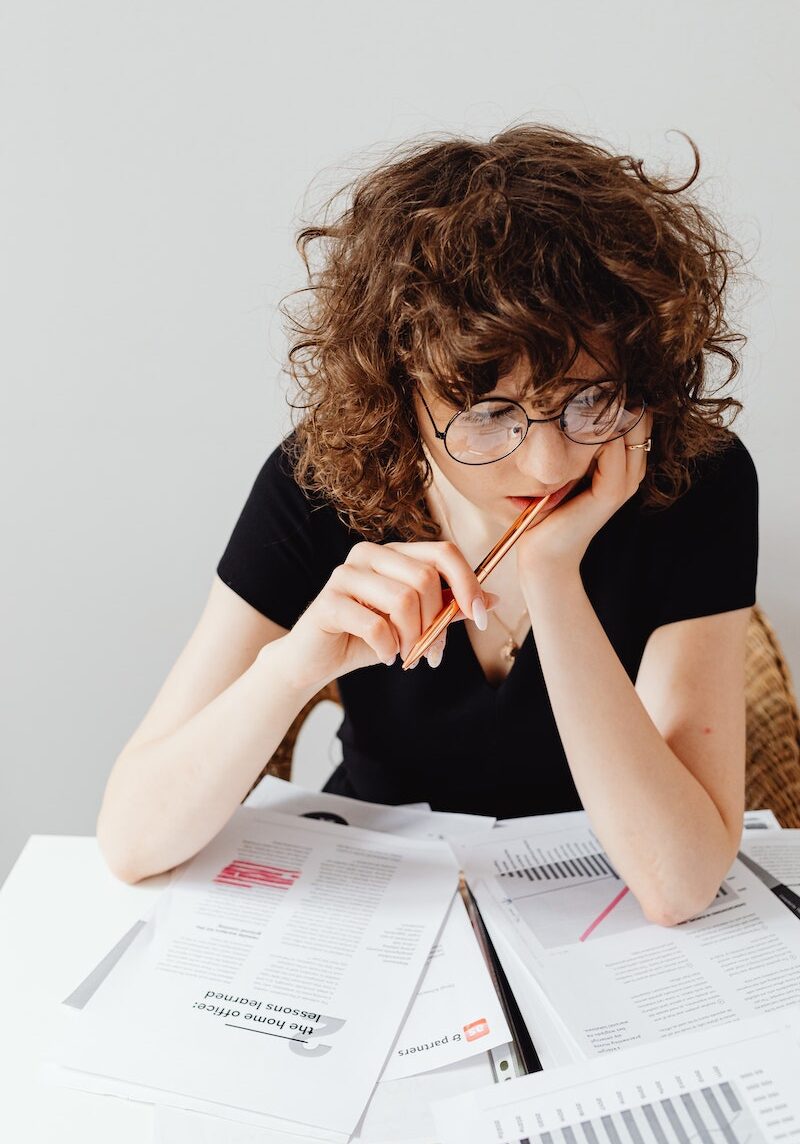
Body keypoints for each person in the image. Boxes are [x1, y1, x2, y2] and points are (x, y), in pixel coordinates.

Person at [97, 124, 758, 927]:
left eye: (589, 399)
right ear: (398, 397)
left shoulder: (693, 481)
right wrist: (292, 666)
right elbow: (133, 840)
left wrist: (553, 576)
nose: (551, 464)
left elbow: (679, 883)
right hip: (372, 911)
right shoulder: (320, 485)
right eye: (489, 414)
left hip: (590, 920)